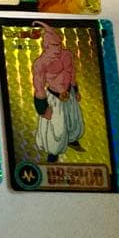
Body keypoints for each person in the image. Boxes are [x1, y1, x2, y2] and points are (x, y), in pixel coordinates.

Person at [31, 22, 84, 163]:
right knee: (56, 130)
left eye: (59, 45)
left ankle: (71, 140)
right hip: (54, 98)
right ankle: (53, 155)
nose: (57, 49)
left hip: (69, 93)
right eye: (53, 46)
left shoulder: (67, 55)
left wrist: (75, 89)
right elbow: (38, 87)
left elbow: (71, 72)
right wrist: (42, 109)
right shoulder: (40, 63)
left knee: (73, 122)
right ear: (45, 46)